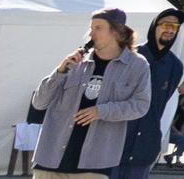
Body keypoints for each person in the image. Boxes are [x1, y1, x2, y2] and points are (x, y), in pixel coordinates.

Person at [32, 10, 154, 177]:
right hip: (50, 160)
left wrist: (101, 111)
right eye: (91, 28)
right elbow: (39, 102)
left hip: (95, 164)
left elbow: (141, 106)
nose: (91, 33)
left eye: (98, 28)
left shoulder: (137, 65)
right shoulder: (76, 62)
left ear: (116, 31)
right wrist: (60, 71)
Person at [119, 6, 184, 179]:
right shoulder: (131, 55)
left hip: (146, 143)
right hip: (117, 139)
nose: (170, 30)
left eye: (175, 26)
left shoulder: (175, 66)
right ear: (154, 26)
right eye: (166, 25)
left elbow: (159, 104)